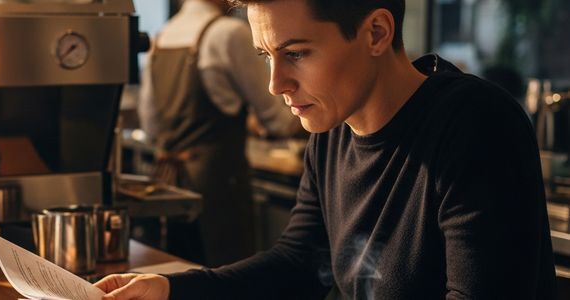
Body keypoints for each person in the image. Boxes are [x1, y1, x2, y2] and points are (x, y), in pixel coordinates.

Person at [97, 0, 557, 299]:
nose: (276, 84)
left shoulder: (475, 124)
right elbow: (301, 260)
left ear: (376, 32)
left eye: (296, 53)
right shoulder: (332, 129)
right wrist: (171, 291)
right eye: (266, 55)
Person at [138, 0, 303, 266]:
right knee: (227, 275)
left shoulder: (163, 36)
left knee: (179, 276)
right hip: (217, 184)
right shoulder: (228, 33)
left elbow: (151, 126)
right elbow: (278, 121)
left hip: (168, 185)